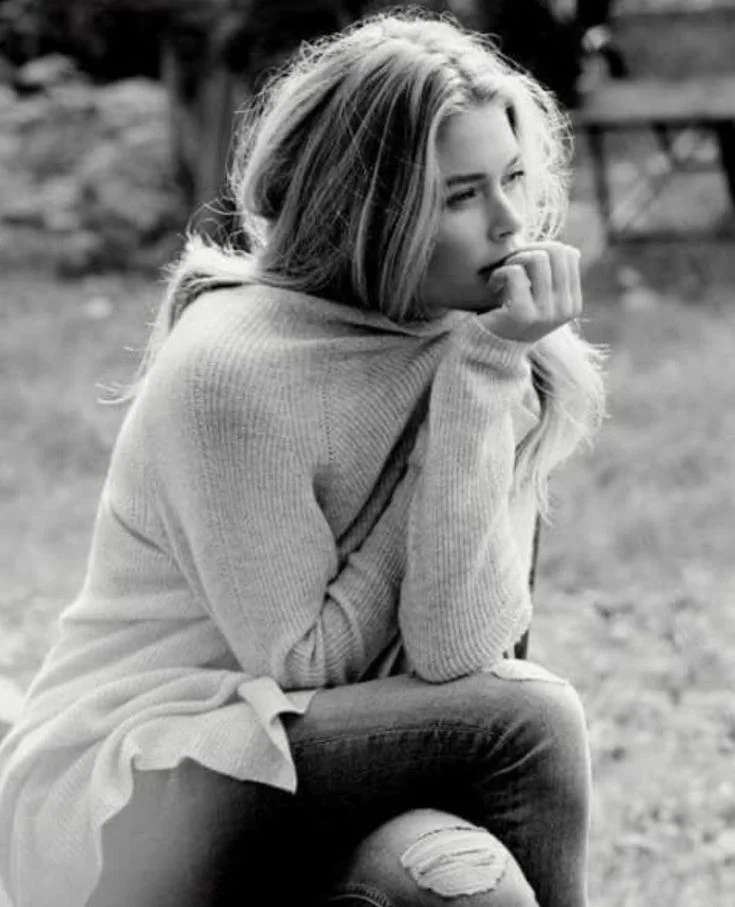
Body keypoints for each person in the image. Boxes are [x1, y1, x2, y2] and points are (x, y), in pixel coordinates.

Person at [0, 10, 607, 907]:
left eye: (513, 177)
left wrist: (483, 385)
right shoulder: (234, 370)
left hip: (336, 771)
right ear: (368, 210)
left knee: (462, 886)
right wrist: (466, 405)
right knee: (530, 717)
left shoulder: (481, 351)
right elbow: (305, 667)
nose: (511, 222)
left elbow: (464, 651)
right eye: (460, 196)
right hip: (149, 777)